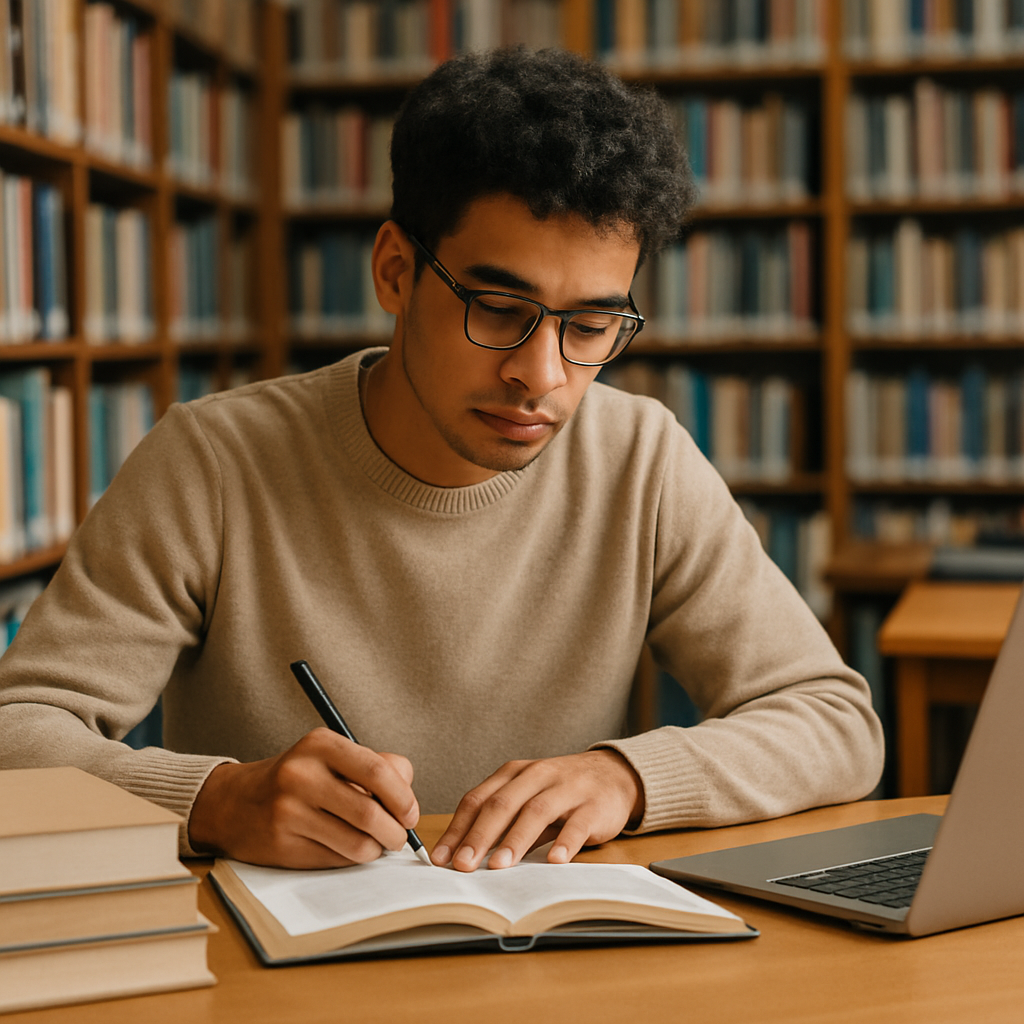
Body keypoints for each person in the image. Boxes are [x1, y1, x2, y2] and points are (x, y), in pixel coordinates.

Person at [0, 47, 883, 873]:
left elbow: (836, 724)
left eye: (591, 327)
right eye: (499, 309)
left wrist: (629, 778)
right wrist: (215, 800)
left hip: (546, 960)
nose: (540, 375)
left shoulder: (640, 458)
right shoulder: (214, 461)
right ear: (395, 272)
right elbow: (17, 736)